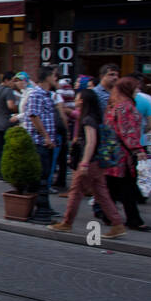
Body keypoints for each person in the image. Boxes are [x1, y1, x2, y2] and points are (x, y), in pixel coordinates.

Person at [48, 87, 126, 238]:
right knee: (101, 194)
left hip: (89, 163)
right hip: (96, 162)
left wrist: (84, 163)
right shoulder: (93, 117)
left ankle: (67, 223)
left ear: (82, 101)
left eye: (77, 97)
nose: (75, 100)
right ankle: (117, 224)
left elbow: (91, 142)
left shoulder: (88, 119)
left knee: (76, 192)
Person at [104, 76, 151, 232]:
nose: (138, 91)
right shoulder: (125, 106)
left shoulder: (114, 105)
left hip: (112, 152)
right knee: (127, 187)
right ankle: (133, 219)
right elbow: (127, 131)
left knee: (112, 186)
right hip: (123, 154)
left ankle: (108, 216)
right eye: (135, 87)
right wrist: (137, 149)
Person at [23, 65, 58, 195]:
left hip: (46, 143)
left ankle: (43, 205)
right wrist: (46, 137)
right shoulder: (37, 94)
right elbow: (34, 116)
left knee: (45, 175)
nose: (56, 78)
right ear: (47, 77)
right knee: (39, 177)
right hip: (38, 142)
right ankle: (38, 206)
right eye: (54, 75)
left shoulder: (47, 95)